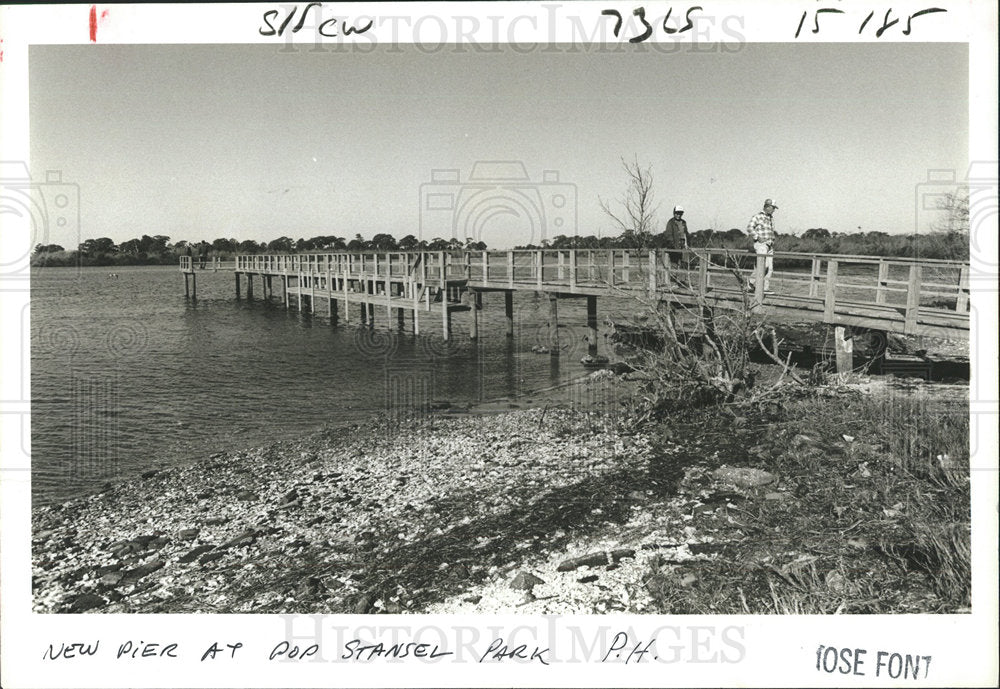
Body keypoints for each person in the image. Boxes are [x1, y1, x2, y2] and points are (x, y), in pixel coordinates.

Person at [747, 198, 778, 292]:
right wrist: (757, 237)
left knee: (770, 268)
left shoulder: (771, 218)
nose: (774, 210)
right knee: (763, 266)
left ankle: (765, 288)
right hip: (761, 244)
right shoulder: (758, 216)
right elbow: (749, 228)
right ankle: (751, 283)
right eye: (773, 208)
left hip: (769, 245)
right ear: (767, 207)